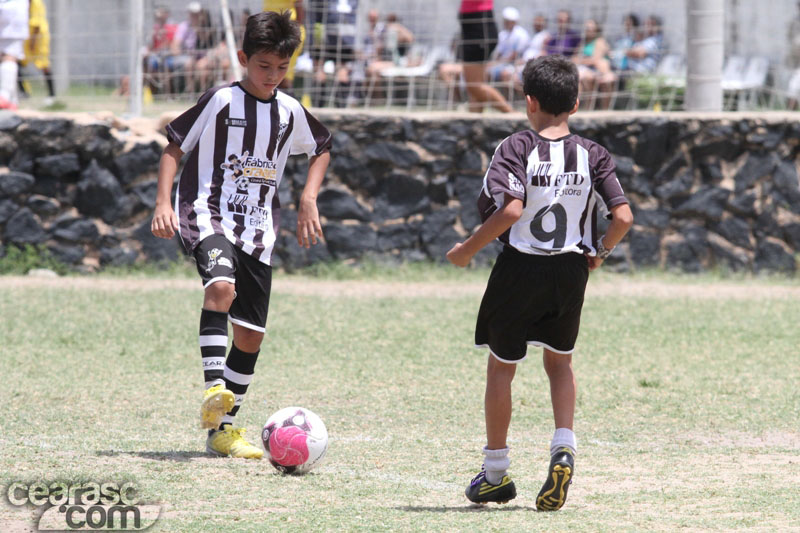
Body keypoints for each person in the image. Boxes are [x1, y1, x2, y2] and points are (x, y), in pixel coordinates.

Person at [446, 55, 634, 509]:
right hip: (570, 270)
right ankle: (563, 447)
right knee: (560, 363)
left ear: (529, 102)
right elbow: (623, 216)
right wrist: (599, 253)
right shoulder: (594, 154)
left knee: (501, 367)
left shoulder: (514, 148)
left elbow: (511, 210)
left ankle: (494, 474)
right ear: (575, 101)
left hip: (520, 267)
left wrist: (467, 249)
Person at [150, 11, 332, 459]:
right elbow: (174, 146)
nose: (273, 76)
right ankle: (215, 387)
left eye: (282, 68)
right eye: (264, 66)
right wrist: (161, 202)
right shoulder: (220, 101)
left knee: (250, 336)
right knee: (221, 288)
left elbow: (322, 147)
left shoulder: (290, 112)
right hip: (207, 213)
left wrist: (308, 198)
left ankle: (222, 431)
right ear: (243, 58)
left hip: (258, 231)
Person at [458, 0, 512, 113]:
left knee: (474, 86)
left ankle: (512, 114)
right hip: (475, 27)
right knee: (474, 90)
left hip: (479, 28)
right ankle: (474, 125)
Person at [572, 19, 616, 110]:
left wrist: (581, 60)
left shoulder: (599, 41)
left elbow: (595, 60)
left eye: (590, 28)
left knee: (588, 78)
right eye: (587, 28)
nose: (588, 30)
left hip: (598, 70)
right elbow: (574, 58)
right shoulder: (583, 43)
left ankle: (602, 108)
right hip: (587, 69)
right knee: (583, 78)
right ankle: (585, 107)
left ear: (596, 30)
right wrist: (582, 60)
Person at [264, 0, 306, 91]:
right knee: (269, 73)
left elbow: (299, 8)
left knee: (284, 77)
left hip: (288, 31)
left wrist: (294, 32)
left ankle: (284, 100)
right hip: (268, 30)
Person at [18, 0, 54, 106]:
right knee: (18, 63)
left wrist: (33, 42)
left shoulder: (36, 2)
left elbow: (37, 25)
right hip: (27, 35)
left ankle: (51, 94)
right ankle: (24, 92)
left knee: (43, 65)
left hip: (37, 37)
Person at [487, 7, 529, 83]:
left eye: (507, 21)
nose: (505, 23)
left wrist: (497, 63)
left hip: (514, 65)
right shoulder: (503, 34)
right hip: (502, 64)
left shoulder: (521, 34)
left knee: (503, 74)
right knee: (485, 72)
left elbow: (514, 56)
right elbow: (499, 53)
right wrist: (494, 63)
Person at [0, 0, 28, 110]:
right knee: (8, 56)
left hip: (11, 11)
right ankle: (10, 98)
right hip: (13, 11)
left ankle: (5, 96)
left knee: (8, 56)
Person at [143, 6, 177, 94]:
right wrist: (148, 51)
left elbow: (169, 44)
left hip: (167, 55)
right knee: (147, 64)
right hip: (156, 55)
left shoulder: (171, 27)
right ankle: (151, 93)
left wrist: (155, 51)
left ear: (166, 15)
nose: (157, 17)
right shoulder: (155, 28)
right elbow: (151, 45)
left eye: (160, 15)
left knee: (165, 68)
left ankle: (168, 94)